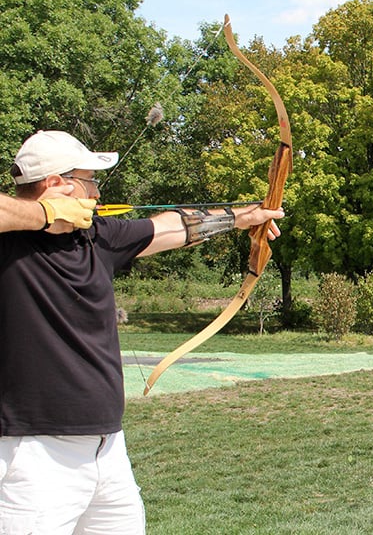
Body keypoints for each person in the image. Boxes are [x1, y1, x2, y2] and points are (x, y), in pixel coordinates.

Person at [0, 130, 285, 534]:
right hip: (35, 454)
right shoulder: (10, 246)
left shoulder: (95, 238)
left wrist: (246, 217)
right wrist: (47, 215)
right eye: (90, 181)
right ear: (55, 184)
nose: (97, 193)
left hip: (107, 448)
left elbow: (170, 227)